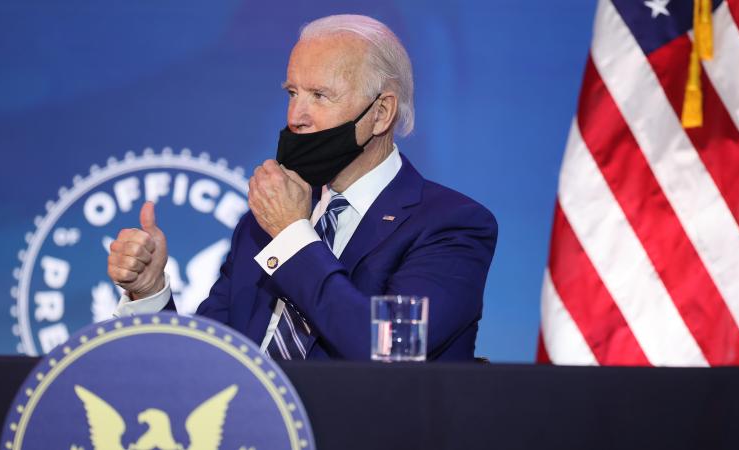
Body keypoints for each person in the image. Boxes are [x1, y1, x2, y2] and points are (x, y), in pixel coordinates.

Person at [107, 14, 497, 361]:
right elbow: (208, 364)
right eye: (292, 93)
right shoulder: (262, 223)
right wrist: (150, 294)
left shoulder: (451, 225)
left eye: (319, 96)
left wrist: (293, 237)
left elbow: (389, 349)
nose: (296, 117)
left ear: (380, 114)